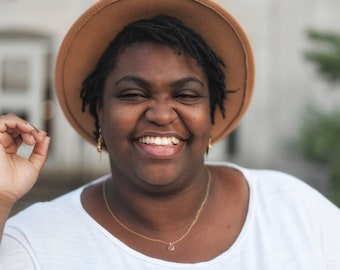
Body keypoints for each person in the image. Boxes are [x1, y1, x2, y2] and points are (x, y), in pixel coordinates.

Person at [0, 0, 339, 269]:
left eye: (187, 95)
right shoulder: (33, 243)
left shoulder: (296, 210)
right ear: (101, 113)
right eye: (133, 94)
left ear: (210, 113)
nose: (161, 114)